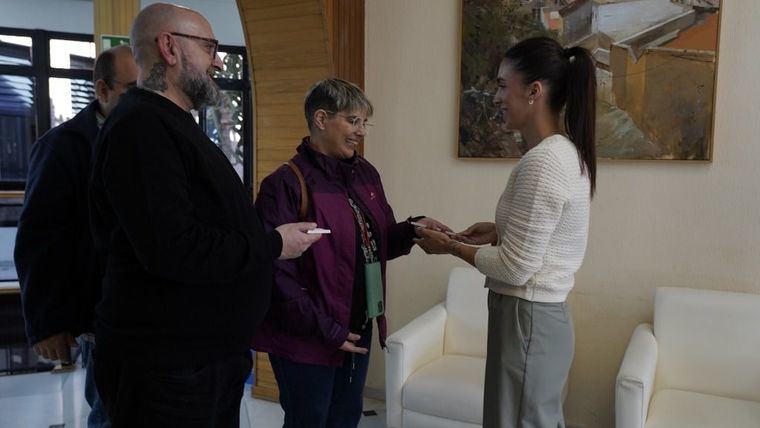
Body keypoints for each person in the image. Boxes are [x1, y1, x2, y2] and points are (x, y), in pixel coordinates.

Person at [87, 4, 320, 427]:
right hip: (169, 367)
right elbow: (174, 248)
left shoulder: (170, 122)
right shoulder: (141, 128)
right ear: (169, 47)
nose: (218, 60)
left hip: (202, 358)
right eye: (210, 46)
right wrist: (274, 244)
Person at [415, 36, 597, 428]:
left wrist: (450, 247)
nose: (495, 97)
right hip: (536, 320)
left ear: (534, 91)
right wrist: (500, 231)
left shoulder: (544, 161)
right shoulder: (563, 153)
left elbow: (516, 269)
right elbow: (545, 238)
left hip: (526, 318)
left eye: (501, 85)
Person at [252, 78, 450, 428]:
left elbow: (378, 241)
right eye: (353, 121)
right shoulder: (283, 185)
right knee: (309, 421)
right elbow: (275, 275)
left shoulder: (366, 174)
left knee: (345, 419)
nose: (361, 131)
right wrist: (327, 330)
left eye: (364, 122)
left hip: (357, 329)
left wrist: (415, 229)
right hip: (309, 338)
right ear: (321, 119)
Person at [14, 44, 138, 428]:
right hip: (98, 310)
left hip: (148, 309)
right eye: (132, 90)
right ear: (102, 91)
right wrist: (47, 322)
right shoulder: (63, 146)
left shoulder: (150, 139)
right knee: (110, 412)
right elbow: (40, 238)